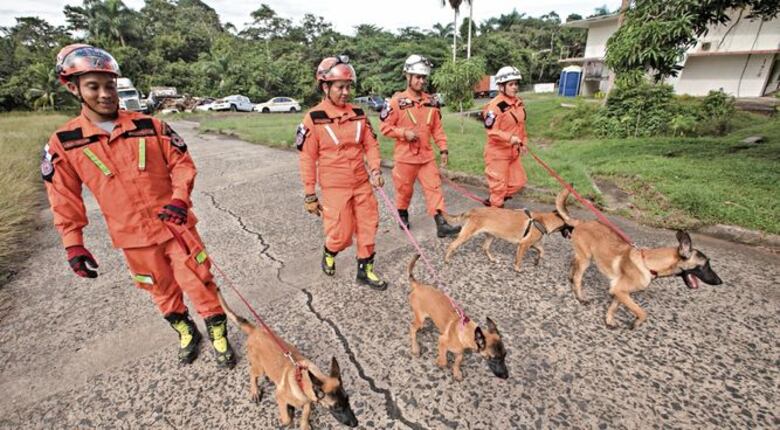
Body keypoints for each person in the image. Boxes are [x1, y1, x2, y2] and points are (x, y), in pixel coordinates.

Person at [42, 44, 235, 368]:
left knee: (198, 280)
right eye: (93, 86)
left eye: (110, 85)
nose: (105, 94)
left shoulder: (152, 126)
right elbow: (63, 197)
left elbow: (183, 164)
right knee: (159, 289)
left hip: (177, 228)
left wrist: (179, 199)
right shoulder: (65, 142)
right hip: (132, 237)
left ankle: (218, 333)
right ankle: (186, 331)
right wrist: (73, 245)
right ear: (72, 87)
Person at [297, 55, 388, 291]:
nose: (346, 92)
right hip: (335, 187)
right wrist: (309, 194)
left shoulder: (358, 113)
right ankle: (330, 250)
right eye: (340, 87)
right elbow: (307, 157)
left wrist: (376, 168)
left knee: (369, 225)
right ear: (325, 87)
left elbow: (370, 144)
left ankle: (365, 270)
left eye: (348, 87)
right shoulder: (314, 119)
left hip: (361, 183)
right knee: (342, 234)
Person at [379, 54, 460, 237]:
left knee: (434, 188)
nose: (421, 81)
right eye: (417, 77)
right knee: (404, 190)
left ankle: (441, 224)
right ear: (407, 76)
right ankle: (402, 212)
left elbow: (437, 129)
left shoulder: (432, 102)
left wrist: (443, 148)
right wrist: (403, 134)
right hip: (405, 158)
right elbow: (384, 127)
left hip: (426, 157)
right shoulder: (396, 102)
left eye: (424, 77)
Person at [482, 66, 529, 208]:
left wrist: (524, 142)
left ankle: (495, 198)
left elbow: (521, 126)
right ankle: (496, 213)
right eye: (511, 84)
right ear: (501, 87)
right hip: (497, 153)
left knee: (519, 182)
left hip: (513, 152)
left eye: (516, 84)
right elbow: (491, 131)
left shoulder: (518, 103)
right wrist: (510, 138)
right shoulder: (494, 106)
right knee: (499, 187)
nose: (515, 87)